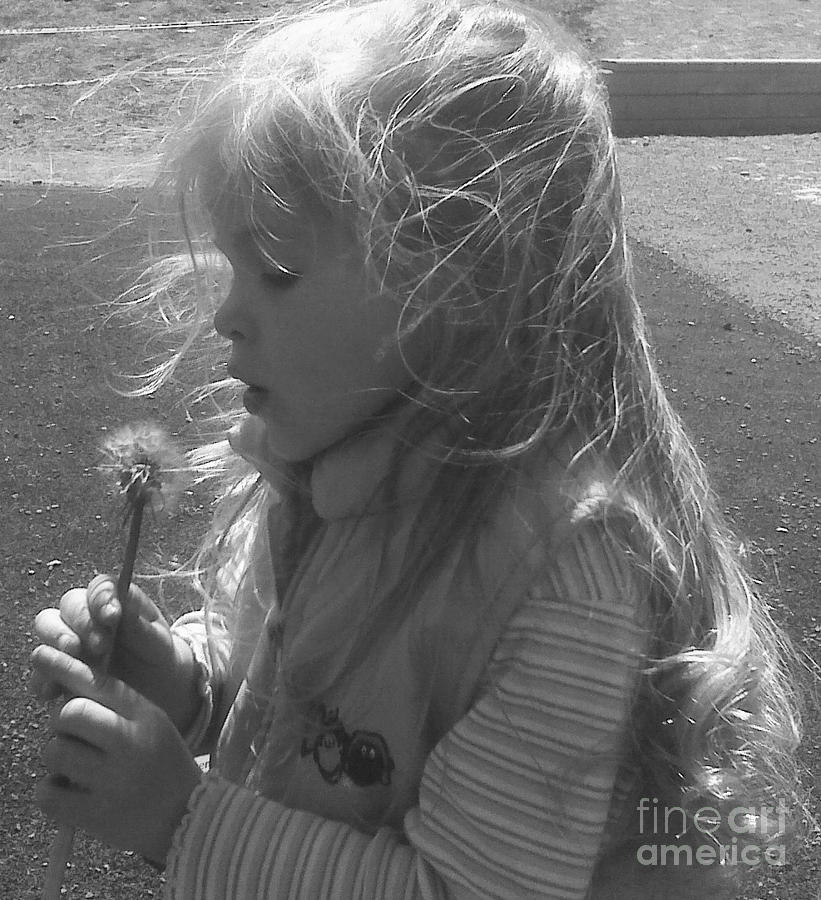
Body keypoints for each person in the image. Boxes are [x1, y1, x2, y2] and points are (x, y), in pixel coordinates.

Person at [29, 1, 804, 897]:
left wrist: (177, 816)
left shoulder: (557, 580)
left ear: (459, 290)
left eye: (276, 268)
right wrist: (187, 682)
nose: (225, 315)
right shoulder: (332, 475)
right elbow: (312, 706)